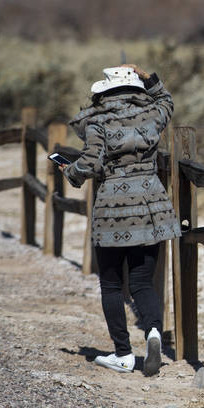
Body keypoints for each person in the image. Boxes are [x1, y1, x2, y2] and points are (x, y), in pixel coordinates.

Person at [60, 65, 180, 376]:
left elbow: (90, 161)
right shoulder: (152, 115)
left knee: (112, 284)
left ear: (105, 92)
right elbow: (166, 100)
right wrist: (148, 75)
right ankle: (153, 333)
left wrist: (70, 173)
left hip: (112, 210)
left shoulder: (96, 121)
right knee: (142, 282)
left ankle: (123, 354)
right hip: (150, 205)